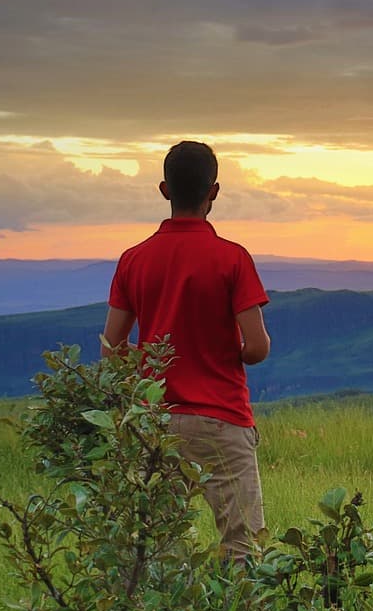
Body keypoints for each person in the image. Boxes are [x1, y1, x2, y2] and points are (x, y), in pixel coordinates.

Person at [101, 140, 271, 563]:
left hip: (153, 421)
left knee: (158, 550)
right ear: (213, 192)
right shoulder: (233, 258)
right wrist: (230, 351)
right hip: (222, 419)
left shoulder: (133, 259)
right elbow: (258, 347)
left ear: (164, 190)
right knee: (243, 546)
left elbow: (111, 349)